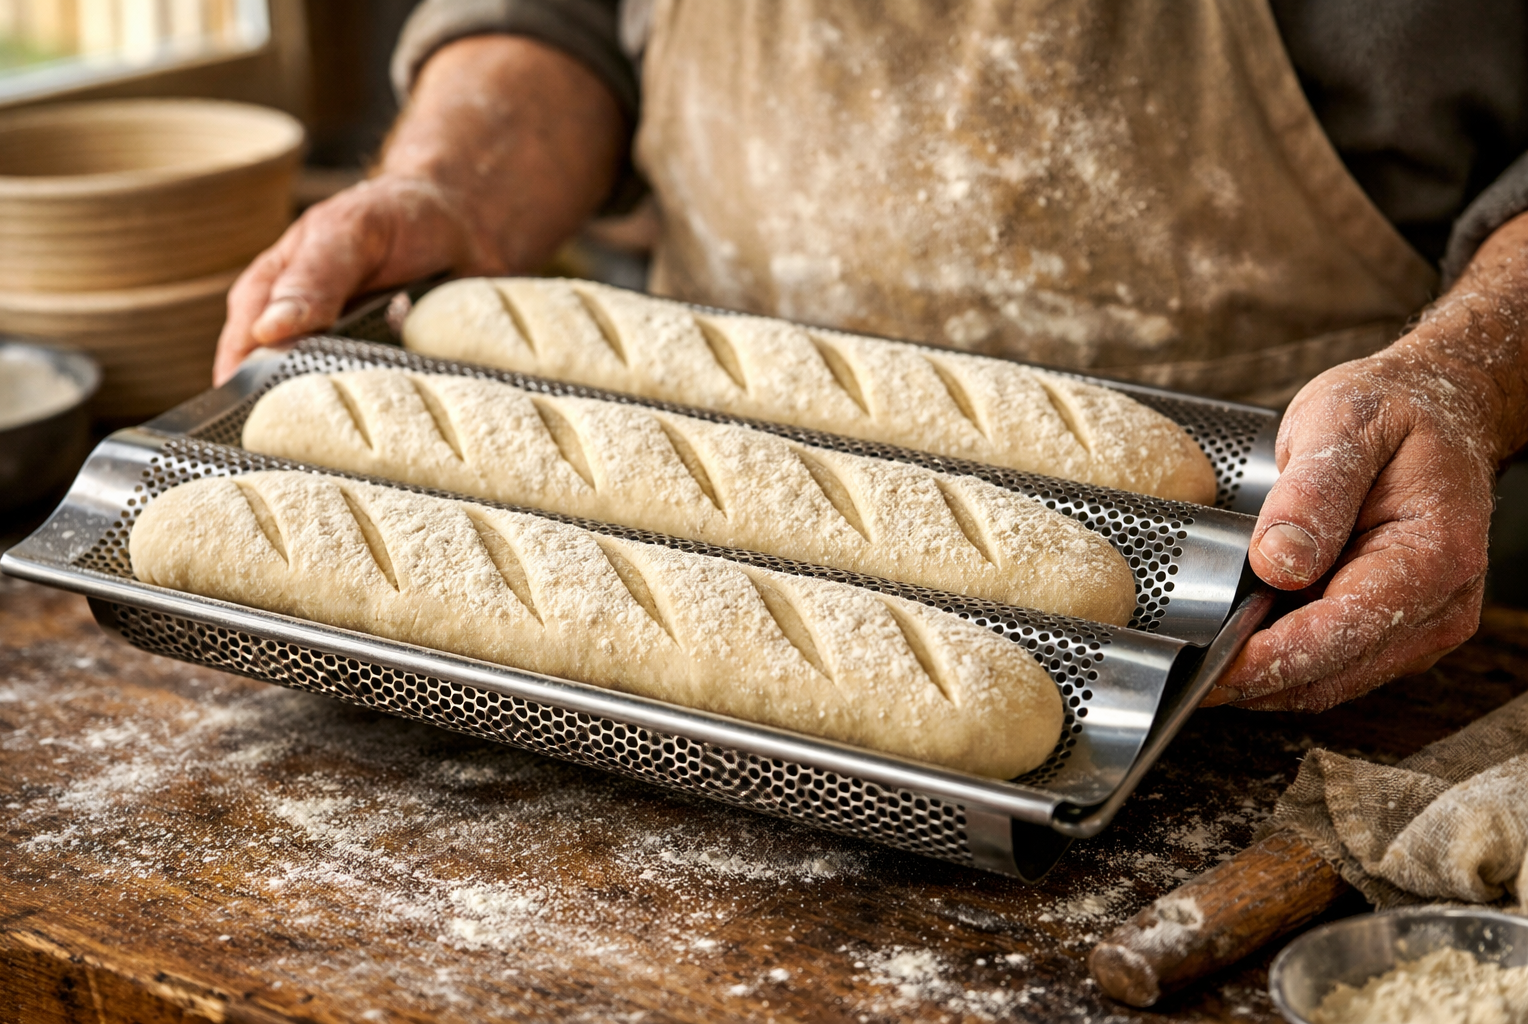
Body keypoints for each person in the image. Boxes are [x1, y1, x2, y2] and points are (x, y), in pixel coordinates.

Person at [213, 1, 1528, 714]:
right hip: (685, 380)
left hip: (1323, 509)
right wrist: (456, 185)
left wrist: (1468, 373)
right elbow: (557, 17)